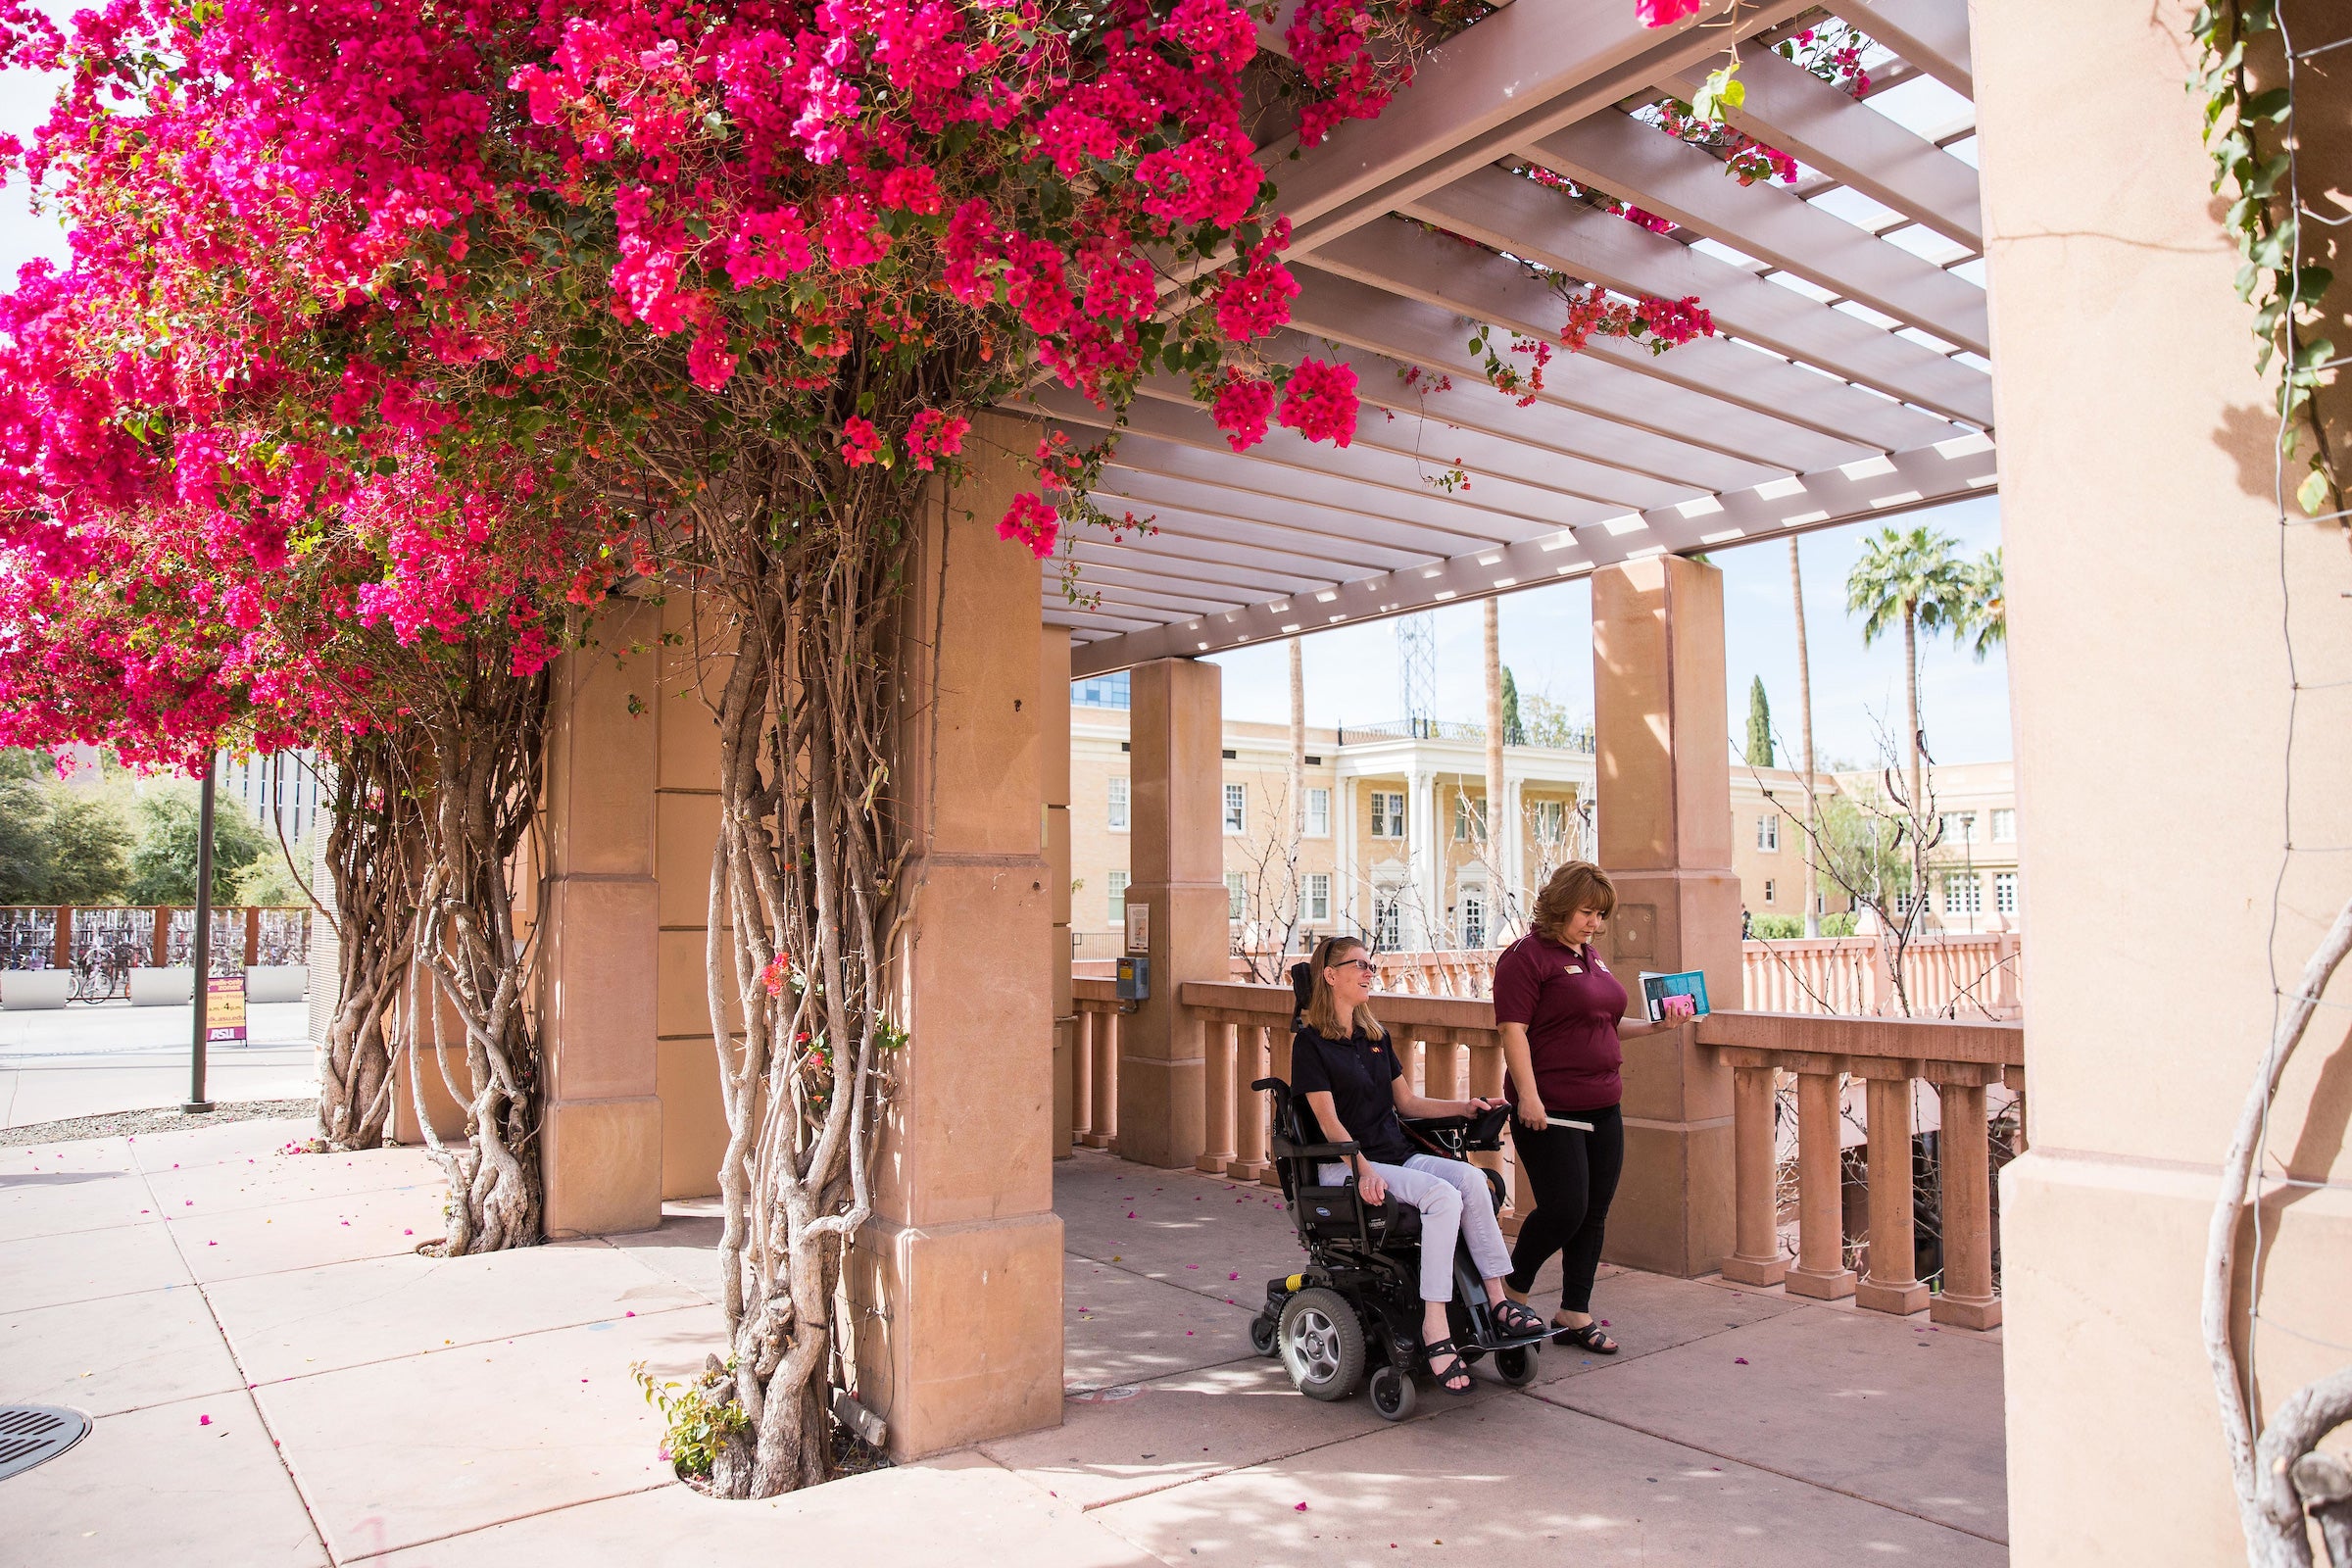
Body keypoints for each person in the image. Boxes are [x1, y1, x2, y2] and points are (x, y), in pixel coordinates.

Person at [1288, 935, 1549, 1395]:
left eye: (1371, 965)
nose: (1370, 972)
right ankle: (1435, 1328)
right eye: (1360, 965)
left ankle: (1496, 1302)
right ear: (1330, 975)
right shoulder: (1311, 1045)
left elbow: (1406, 1101)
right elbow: (1329, 1125)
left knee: (1470, 1179)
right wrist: (1363, 1169)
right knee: (1441, 1195)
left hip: (1395, 1158)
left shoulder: (1374, 1036)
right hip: (1344, 1166)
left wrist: (1463, 1108)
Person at [1494, 861, 1678, 1353]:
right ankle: (1511, 1292)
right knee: (1564, 1209)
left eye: (1601, 915)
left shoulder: (1590, 958)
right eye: (1587, 912)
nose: (1595, 923)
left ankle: (1575, 1310)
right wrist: (1528, 1097)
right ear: (1560, 904)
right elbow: (1513, 1031)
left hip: (1604, 1104)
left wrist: (1657, 1027)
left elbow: (1604, 1023)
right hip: (1550, 1108)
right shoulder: (1524, 958)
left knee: (1593, 1213)